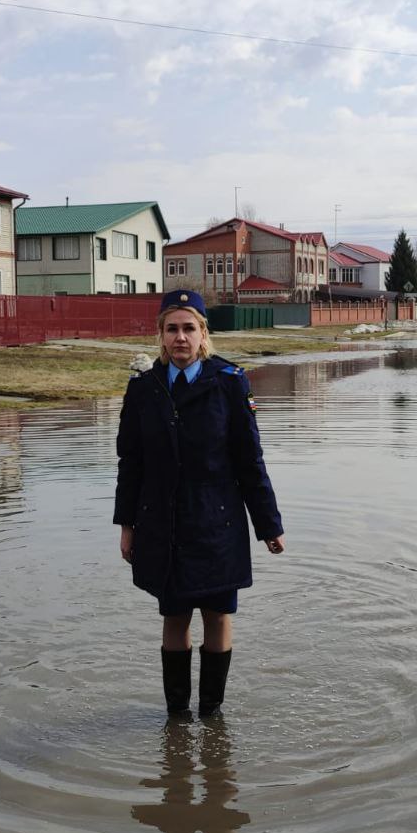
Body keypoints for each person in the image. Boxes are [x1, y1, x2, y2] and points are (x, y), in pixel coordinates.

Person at [114, 288, 285, 717]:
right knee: (174, 617)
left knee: (217, 616)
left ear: (203, 333)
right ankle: (177, 715)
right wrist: (127, 525)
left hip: (217, 523)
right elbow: (130, 463)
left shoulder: (228, 383)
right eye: (171, 329)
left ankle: (211, 714)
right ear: (160, 335)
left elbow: (250, 461)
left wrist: (268, 526)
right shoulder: (143, 389)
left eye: (189, 328)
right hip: (163, 524)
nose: (180, 338)